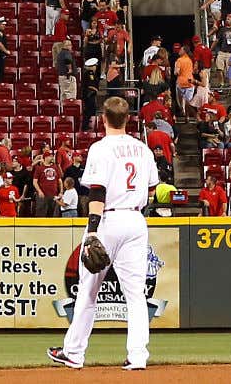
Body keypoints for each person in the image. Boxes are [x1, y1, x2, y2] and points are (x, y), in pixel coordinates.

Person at [48, 96, 160, 371]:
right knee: (135, 294)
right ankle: (137, 356)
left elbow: (97, 191)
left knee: (88, 290)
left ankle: (74, 353)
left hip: (108, 219)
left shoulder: (101, 148)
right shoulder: (142, 149)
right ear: (128, 119)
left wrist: (93, 231)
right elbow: (153, 190)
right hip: (135, 219)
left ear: (103, 119)